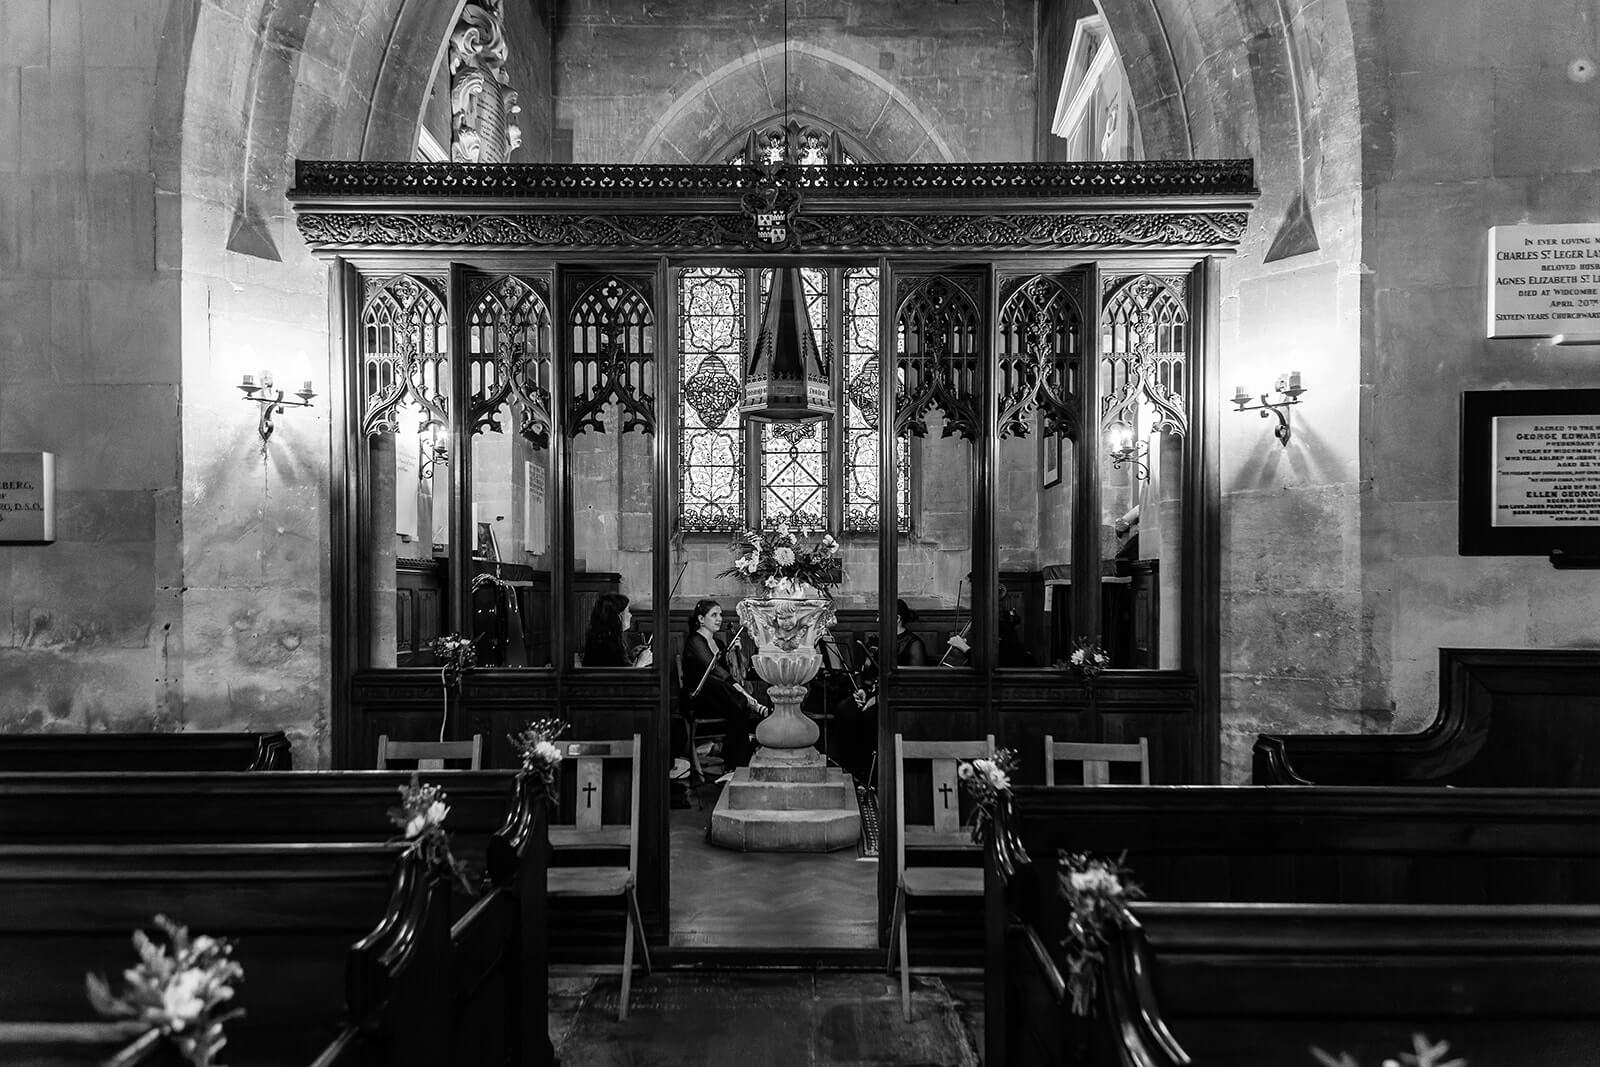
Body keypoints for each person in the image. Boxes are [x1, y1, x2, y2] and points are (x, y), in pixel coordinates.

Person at [682, 599, 764, 772]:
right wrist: (741, 691)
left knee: (738, 707)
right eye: (714, 615)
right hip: (699, 698)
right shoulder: (695, 641)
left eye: (720, 614)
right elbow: (719, 674)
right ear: (701, 619)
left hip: (722, 698)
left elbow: (729, 673)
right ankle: (737, 762)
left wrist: (735, 652)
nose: (719, 619)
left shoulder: (719, 644)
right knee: (727, 693)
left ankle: (735, 765)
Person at [582, 592, 653, 668]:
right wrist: (640, 663)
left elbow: (614, 664)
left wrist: (630, 656)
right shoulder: (605, 644)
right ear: (618, 617)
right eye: (627, 611)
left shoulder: (606, 637)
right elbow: (619, 678)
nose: (630, 615)